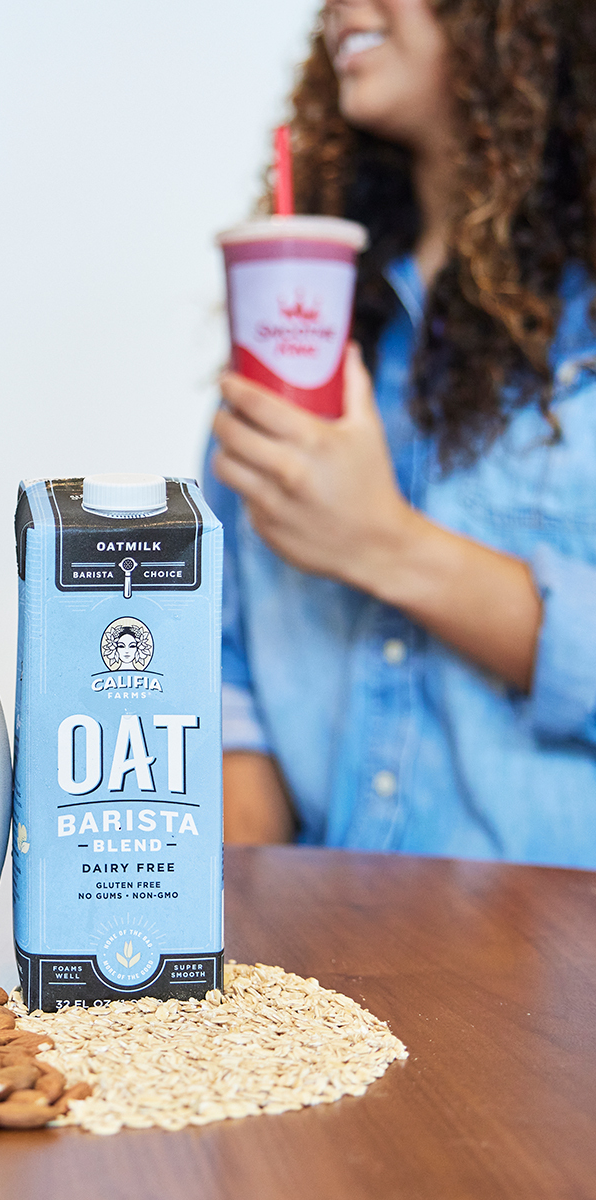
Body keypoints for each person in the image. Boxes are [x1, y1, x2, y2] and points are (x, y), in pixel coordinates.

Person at [207, 0, 596, 867]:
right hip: (330, 938)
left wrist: (387, 546)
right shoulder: (309, 321)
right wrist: (244, 908)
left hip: (556, 944)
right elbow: (229, 675)